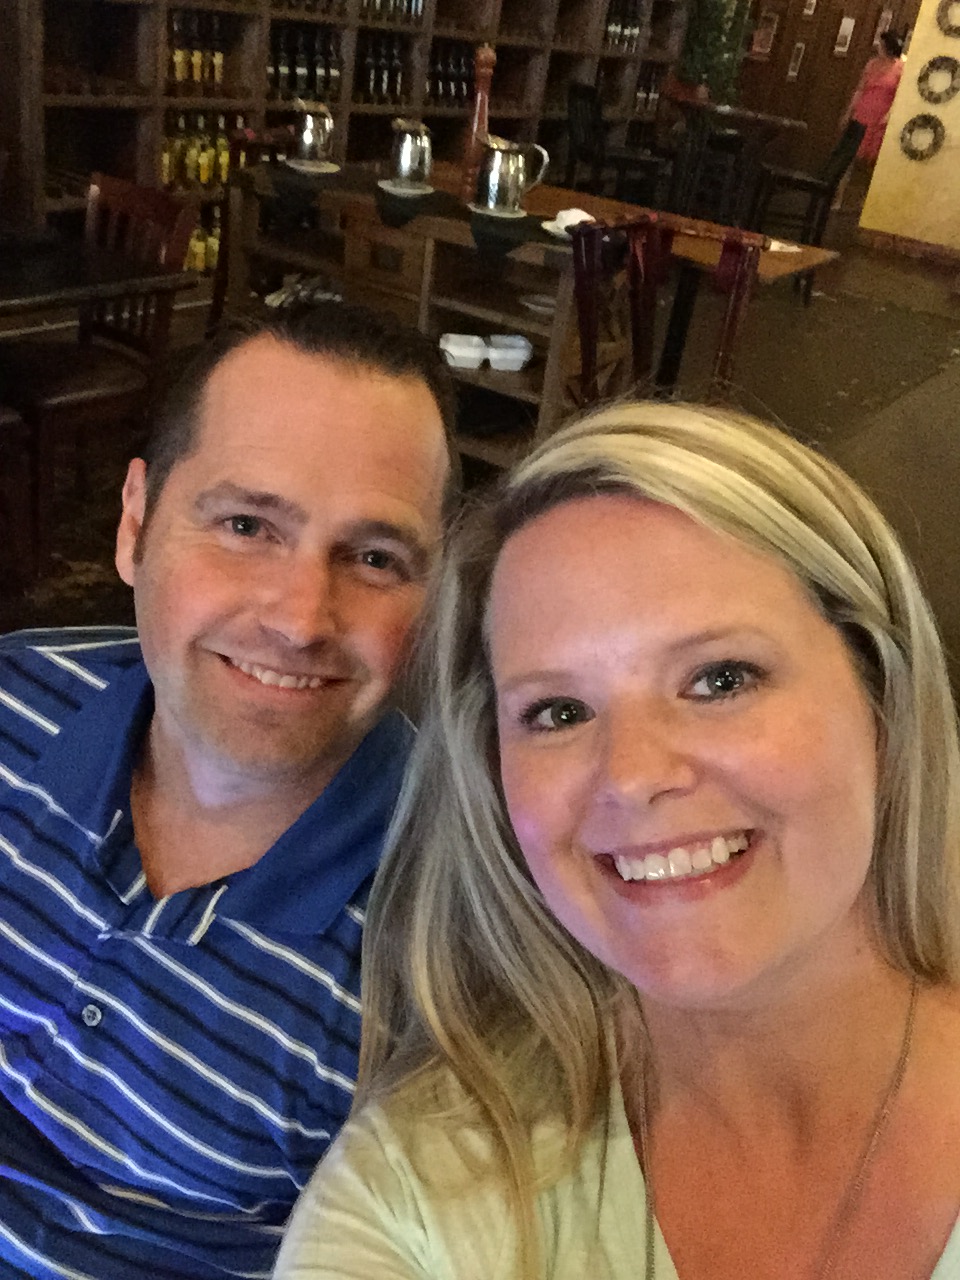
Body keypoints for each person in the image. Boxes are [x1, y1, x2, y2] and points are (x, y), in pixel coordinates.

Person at [276, 401, 960, 1279]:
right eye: (560, 711)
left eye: (720, 679)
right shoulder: (416, 1193)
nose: (633, 774)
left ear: (882, 698)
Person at [0, 300, 455, 1279]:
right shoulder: (13, 701)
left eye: (375, 558)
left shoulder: (445, 938)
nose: (299, 619)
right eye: (247, 524)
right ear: (135, 524)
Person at [843, 30, 905, 163]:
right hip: (862, 113)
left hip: (880, 118)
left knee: (871, 157)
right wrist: (849, 111)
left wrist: (890, 114)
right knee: (851, 153)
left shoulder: (901, 68)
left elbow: (900, 96)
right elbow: (860, 89)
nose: (878, 47)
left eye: (882, 45)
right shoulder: (872, 64)